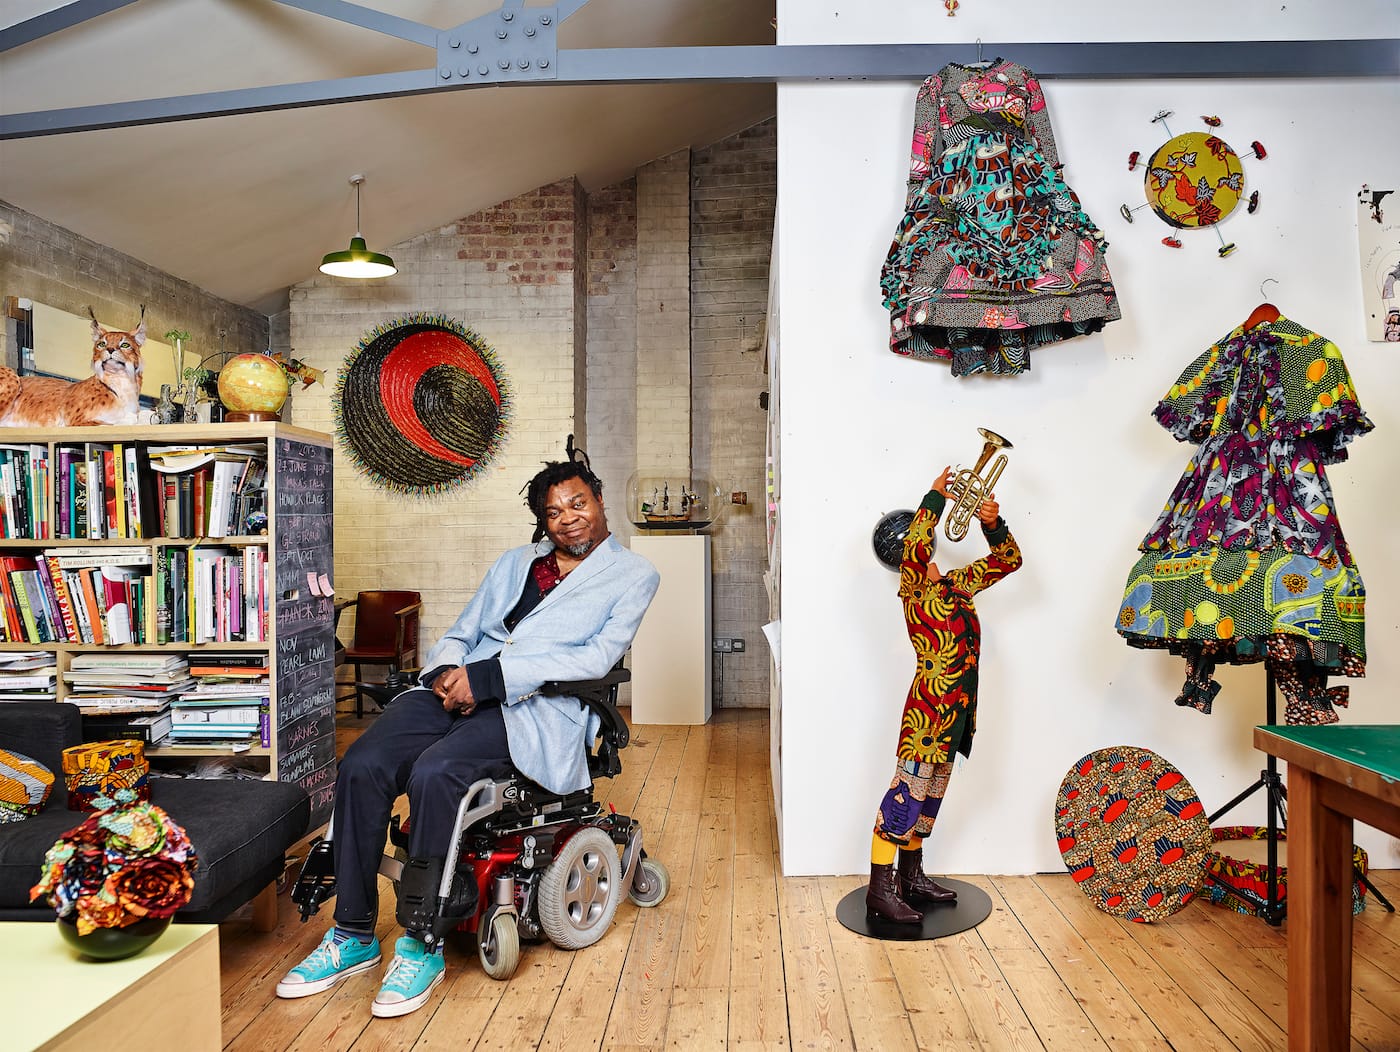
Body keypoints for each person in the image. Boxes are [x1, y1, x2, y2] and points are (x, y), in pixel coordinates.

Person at [276, 451, 660, 1016]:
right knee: (362, 764)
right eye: (554, 511)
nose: (569, 517)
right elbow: (463, 629)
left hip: (535, 708)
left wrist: (489, 680)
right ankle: (352, 934)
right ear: (542, 521)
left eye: (579, 503)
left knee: (437, 773)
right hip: (462, 689)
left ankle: (421, 941)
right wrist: (445, 674)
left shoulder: (633, 574)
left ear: (599, 503)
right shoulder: (514, 563)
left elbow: (598, 658)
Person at [866, 466, 1023, 923]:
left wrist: (991, 523)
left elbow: (1008, 560)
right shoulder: (914, 590)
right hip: (927, 716)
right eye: (917, 542)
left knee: (929, 799)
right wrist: (933, 500)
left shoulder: (958, 585)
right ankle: (881, 890)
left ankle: (911, 878)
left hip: (955, 716)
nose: (926, 547)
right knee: (903, 800)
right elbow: (916, 546)